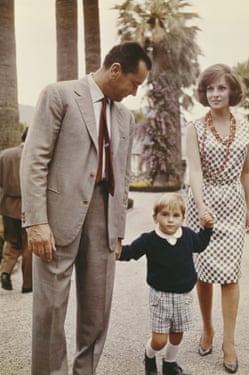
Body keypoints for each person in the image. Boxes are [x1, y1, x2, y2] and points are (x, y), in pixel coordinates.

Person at [20, 42, 152, 375]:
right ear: (116, 70)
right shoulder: (59, 95)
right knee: (50, 311)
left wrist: (119, 231)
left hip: (104, 218)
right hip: (56, 217)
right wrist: (36, 222)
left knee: (97, 312)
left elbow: (122, 177)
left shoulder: (124, 117)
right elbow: (34, 160)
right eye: (135, 83)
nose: (135, 93)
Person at [185, 64, 249, 374]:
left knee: (230, 274)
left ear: (232, 91)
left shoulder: (246, 127)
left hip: (234, 205)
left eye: (221, 88)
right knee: (203, 272)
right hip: (205, 203)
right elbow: (195, 171)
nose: (215, 94)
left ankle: (229, 342)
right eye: (210, 88)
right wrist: (200, 206)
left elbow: (247, 172)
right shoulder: (195, 128)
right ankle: (207, 328)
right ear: (204, 92)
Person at [117, 193, 214, 375]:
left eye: (176, 216)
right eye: (165, 215)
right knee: (160, 340)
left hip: (184, 296)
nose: (170, 220)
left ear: (183, 218)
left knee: (177, 335)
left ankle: (170, 364)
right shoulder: (149, 239)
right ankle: (149, 355)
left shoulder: (188, 236)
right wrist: (115, 252)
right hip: (160, 297)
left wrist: (207, 229)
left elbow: (200, 244)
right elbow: (131, 252)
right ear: (155, 217)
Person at [0, 127, 32, 293]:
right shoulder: (34, 155)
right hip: (29, 205)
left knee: (11, 242)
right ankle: (27, 284)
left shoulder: (5, 155)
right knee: (28, 245)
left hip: (8, 205)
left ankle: (5, 272)